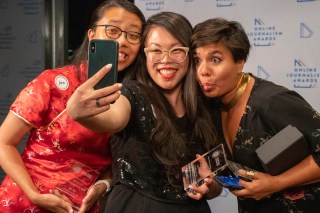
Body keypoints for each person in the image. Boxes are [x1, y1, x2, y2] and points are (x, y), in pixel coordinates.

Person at [67, 11, 222, 213]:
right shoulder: (132, 92)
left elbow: (216, 185)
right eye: (156, 51)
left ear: (189, 56)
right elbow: (114, 118)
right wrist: (81, 113)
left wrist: (209, 186)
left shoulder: (204, 105)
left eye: (177, 50)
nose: (166, 60)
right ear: (145, 55)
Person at [0, 0, 146, 212]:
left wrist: (102, 185)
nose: (123, 41)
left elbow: (120, 161)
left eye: (133, 35)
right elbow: (4, 143)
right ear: (92, 35)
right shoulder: (52, 82)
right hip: (22, 201)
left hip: (79, 208)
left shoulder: (133, 98)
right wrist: (35, 194)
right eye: (113, 30)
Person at [191, 17, 320, 213]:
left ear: (240, 62)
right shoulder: (211, 107)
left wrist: (277, 183)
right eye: (197, 60)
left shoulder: (271, 101)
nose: (203, 71)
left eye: (215, 59)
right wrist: (210, 182)